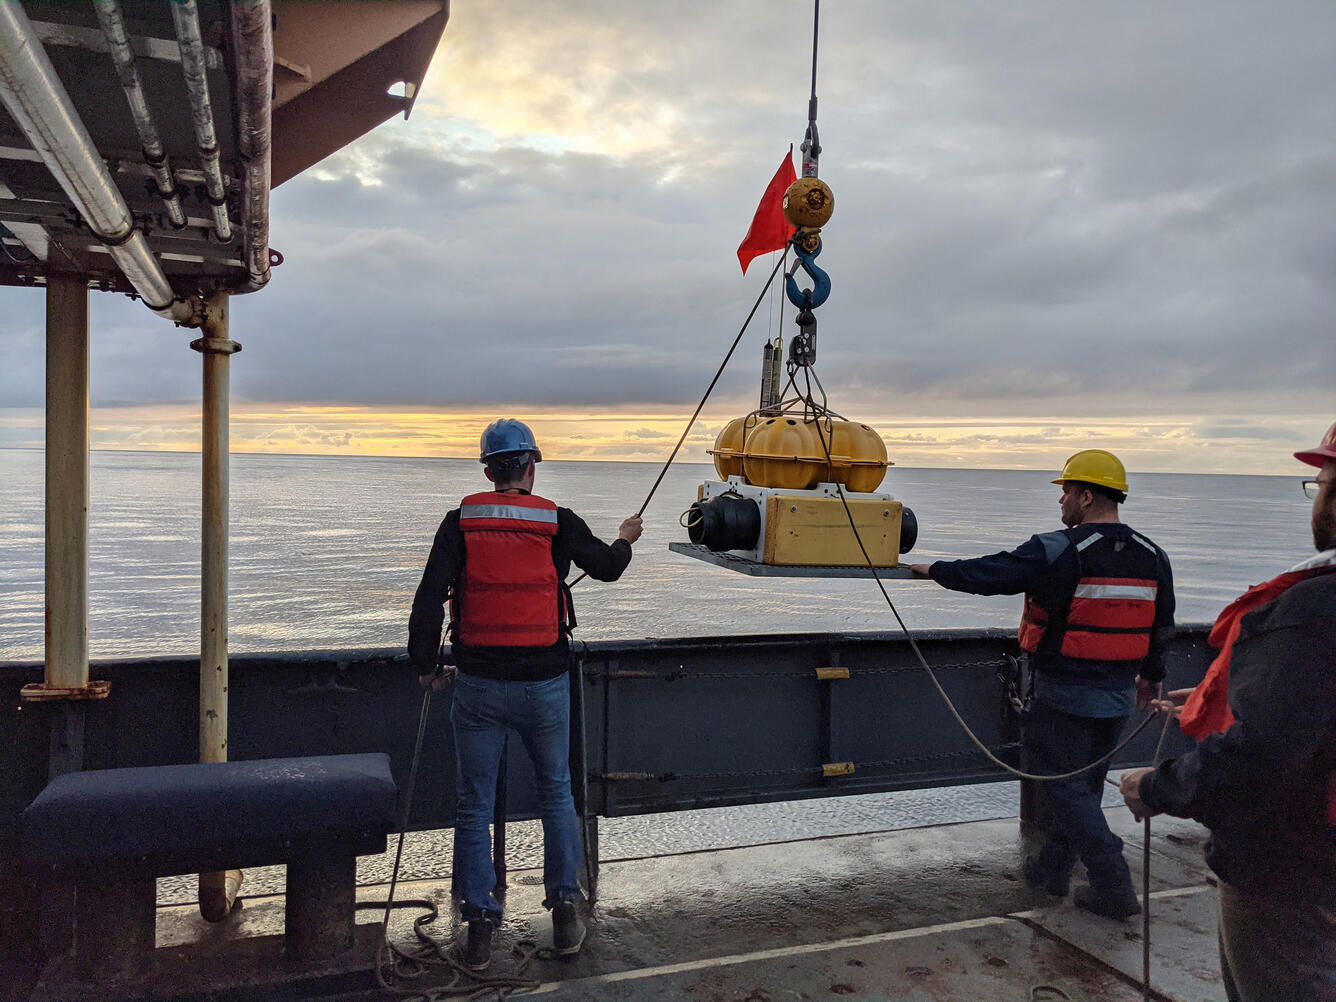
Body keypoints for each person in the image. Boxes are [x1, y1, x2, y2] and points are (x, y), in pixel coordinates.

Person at [408, 418, 643, 971]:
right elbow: (606, 569)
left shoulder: (458, 523)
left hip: (479, 686)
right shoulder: (557, 520)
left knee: (473, 803)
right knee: (557, 792)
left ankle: (480, 929)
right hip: (544, 685)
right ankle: (564, 913)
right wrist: (625, 539)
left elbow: (426, 601)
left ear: (489, 470)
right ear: (530, 466)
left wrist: (424, 668)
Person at [908, 449, 1175, 920]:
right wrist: (1151, 678)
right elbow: (1161, 625)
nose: (1062, 503)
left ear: (1087, 496)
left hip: (1064, 691)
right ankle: (1052, 870)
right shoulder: (1155, 556)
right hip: (1116, 698)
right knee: (1083, 787)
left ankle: (1113, 882)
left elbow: (993, 573)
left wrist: (935, 570)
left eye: (1067, 492)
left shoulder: (1060, 548)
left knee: (1062, 787)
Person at [1120, 422, 1336, 1001]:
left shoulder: (1315, 608)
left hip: (1293, 874)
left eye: (1322, 483)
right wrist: (1224, 695)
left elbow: (1263, 756)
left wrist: (1158, 787)